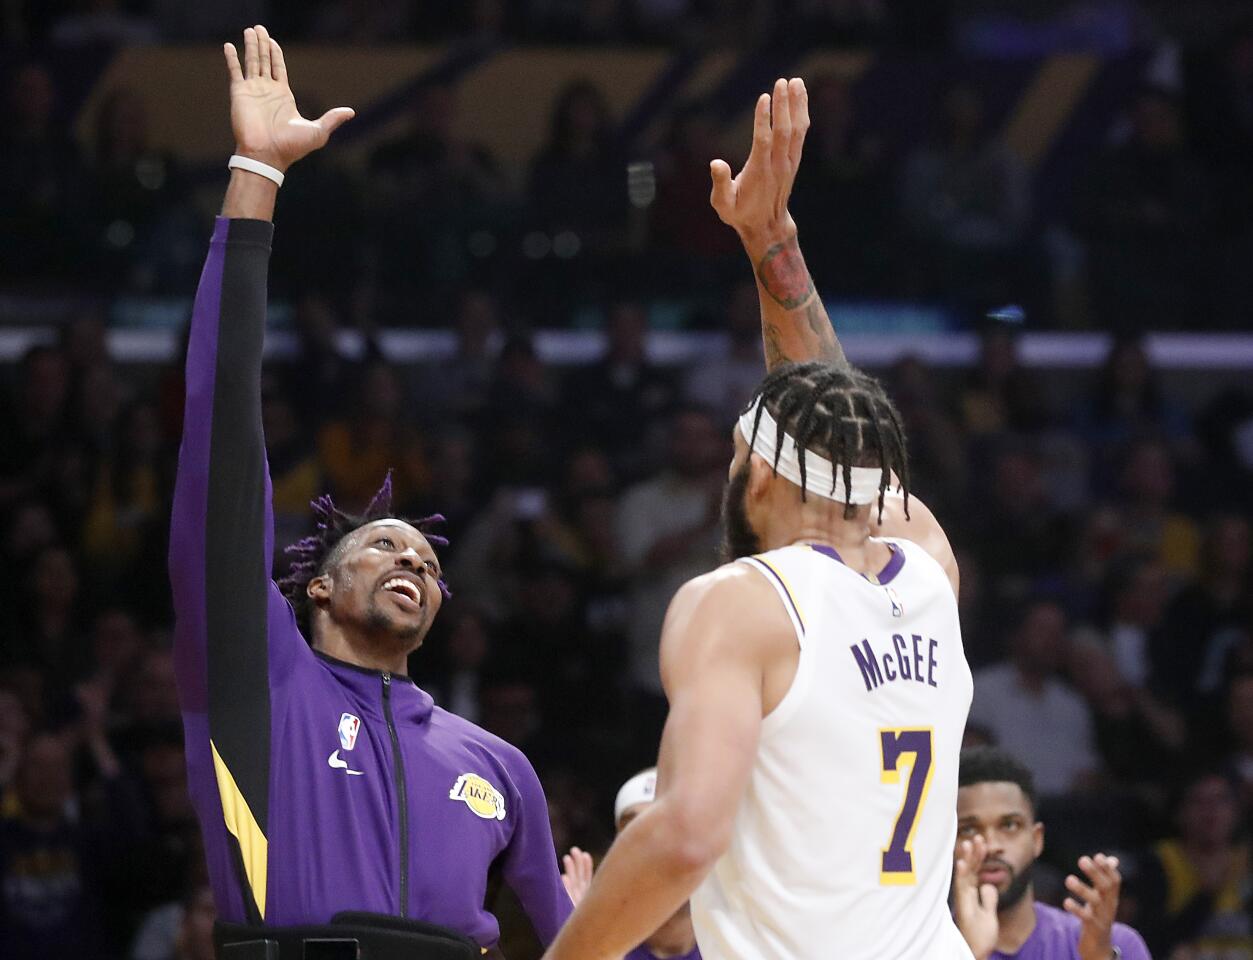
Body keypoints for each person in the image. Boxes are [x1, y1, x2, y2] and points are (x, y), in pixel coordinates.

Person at [171, 26, 583, 959]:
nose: (413, 560)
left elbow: (573, 945)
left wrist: (616, 918)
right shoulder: (259, 676)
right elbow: (221, 434)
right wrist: (256, 177)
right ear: (316, 585)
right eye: (385, 547)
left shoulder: (498, 764)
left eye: (429, 561)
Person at [544, 78, 973, 960]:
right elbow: (835, 426)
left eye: (740, 455)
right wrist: (770, 240)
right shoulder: (926, 570)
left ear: (762, 474)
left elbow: (685, 835)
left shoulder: (737, 600)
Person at [951, 746, 1151, 960]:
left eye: (1009, 825)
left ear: (1037, 839)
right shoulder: (919, 944)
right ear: (947, 844)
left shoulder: (1115, 945)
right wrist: (968, 955)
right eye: (969, 829)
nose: (991, 846)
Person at [614, 769, 700, 960]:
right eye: (635, 832)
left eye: (673, 830)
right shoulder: (590, 942)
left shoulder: (745, 942)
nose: (656, 850)